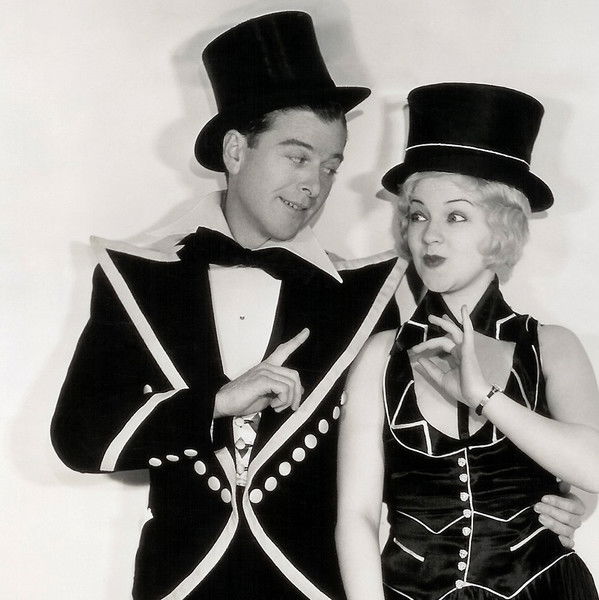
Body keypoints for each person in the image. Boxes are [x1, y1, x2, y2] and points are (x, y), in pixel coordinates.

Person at [51, 13, 584, 599]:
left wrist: (572, 498)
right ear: (236, 149)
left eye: (331, 167)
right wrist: (216, 404)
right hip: (181, 584)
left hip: (314, 588)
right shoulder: (137, 279)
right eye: (298, 157)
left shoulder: (374, 293)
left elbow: (438, 447)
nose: (316, 185)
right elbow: (79, 440)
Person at [336, 82, 599, 600]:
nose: (430, 235)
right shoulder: (380, 356)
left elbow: (595, 467)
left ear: (501, 229)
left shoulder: (551, 347)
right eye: (418, 214)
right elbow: (357, 516)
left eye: (456, 215)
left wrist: (484, 397)